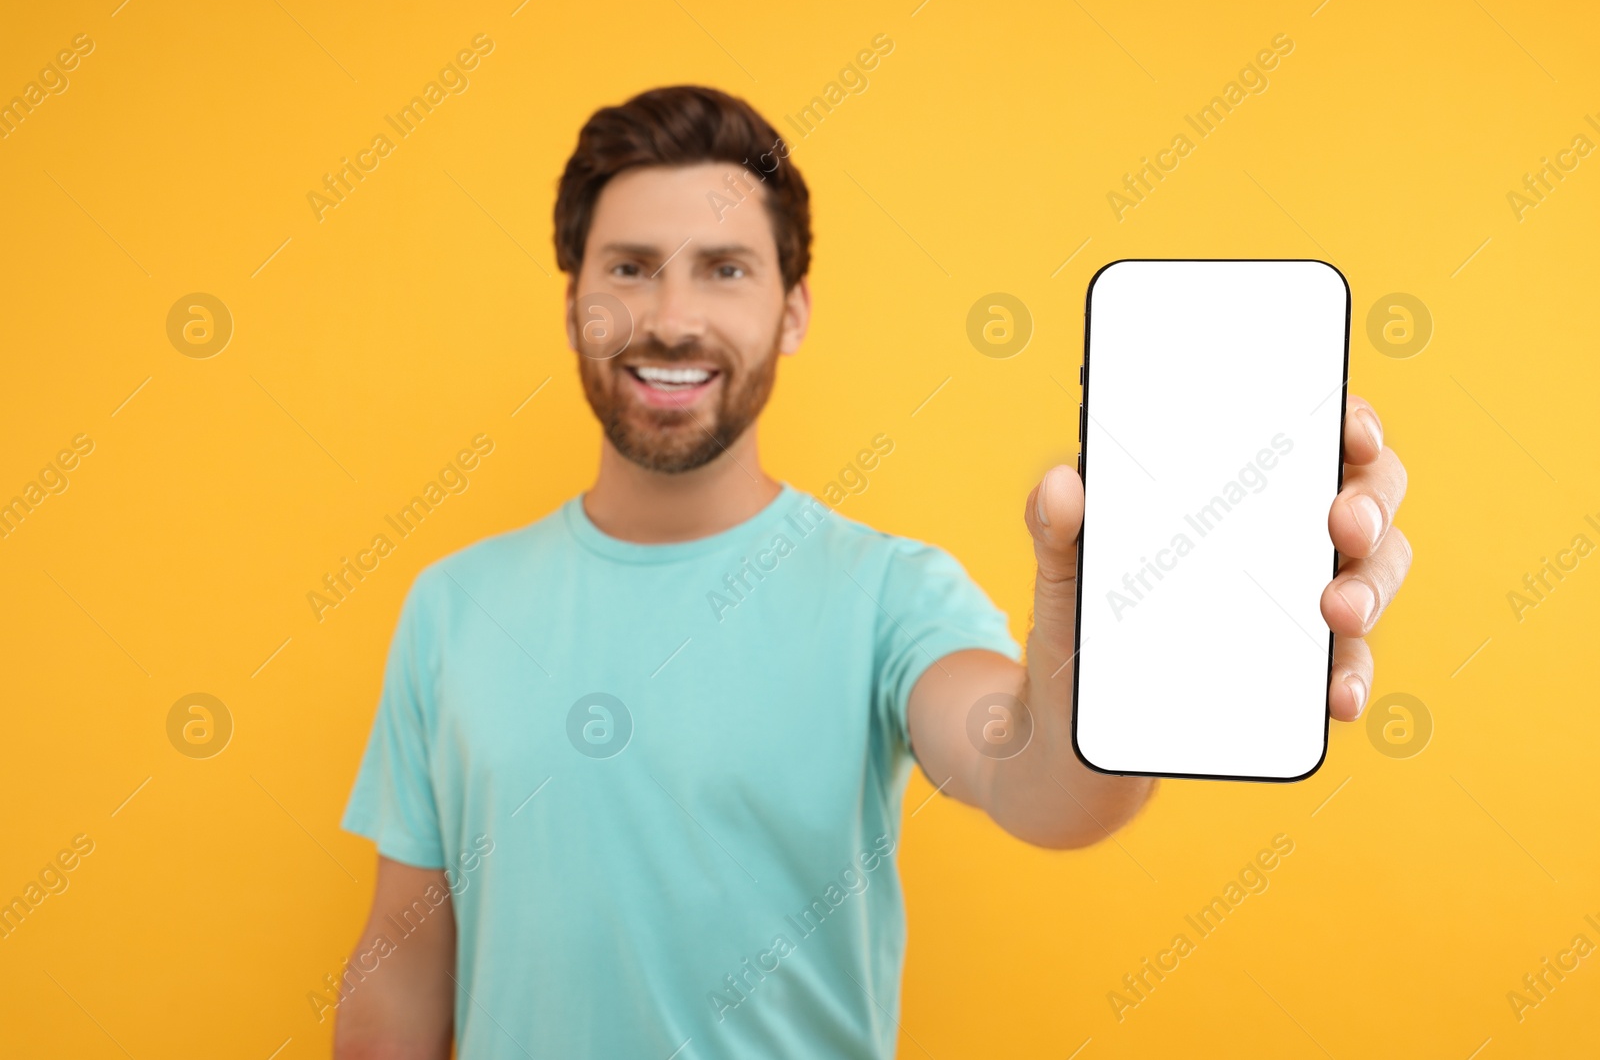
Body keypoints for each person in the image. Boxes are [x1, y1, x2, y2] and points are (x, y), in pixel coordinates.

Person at [331, 85, 1410, 1058]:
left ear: (790, 310)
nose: (670, 316)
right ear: (575, 303)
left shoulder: (888, 593)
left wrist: (1107, 627)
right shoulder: (452, 606)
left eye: (724, 268)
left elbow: (1040, 784)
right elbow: (401, 964)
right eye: (628, 268)